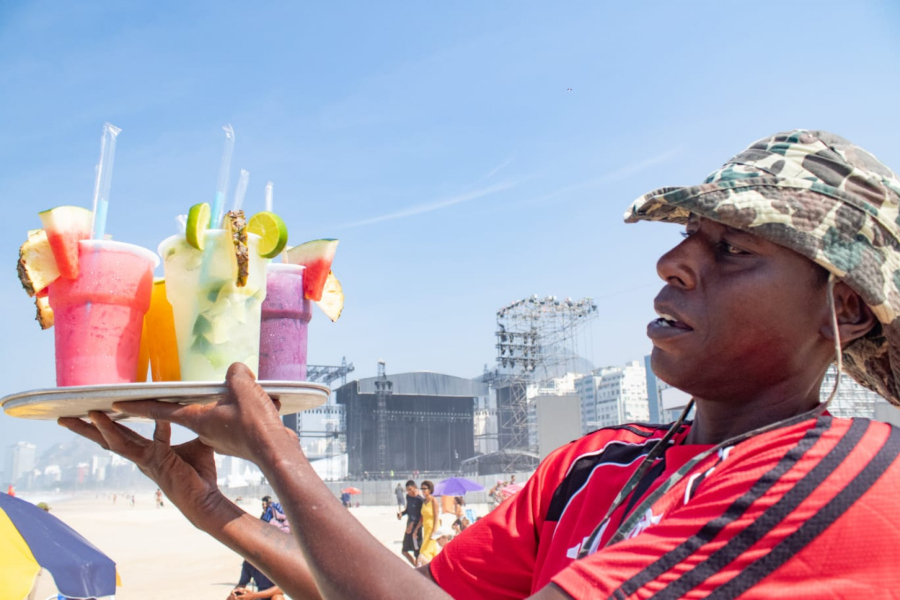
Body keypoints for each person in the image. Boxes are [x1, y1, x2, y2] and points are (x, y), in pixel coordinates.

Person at [62, 129, 900, 599]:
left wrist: (279, 455)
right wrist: (212, 508)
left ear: (846, 309)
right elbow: (395, 593)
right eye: (686, 237)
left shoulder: (840, 477)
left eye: (733, 249)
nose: (674, 263)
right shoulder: (596, 463)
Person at [397, 480, 424, 566]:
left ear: (415, 488)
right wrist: (402, 514)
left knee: (417, 553)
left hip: (416, 529)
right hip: (409, 527)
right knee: (404, 551)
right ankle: (415, 567)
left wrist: (414, 525)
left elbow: (422, 516)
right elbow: (408, 510)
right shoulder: (408, 497)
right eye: (407, 490)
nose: (409, 492)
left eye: (410, 489)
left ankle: (418, 568)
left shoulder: (420, 500)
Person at [415, 480, 440, 567]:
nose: (423, 491)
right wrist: (416, 529)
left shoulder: (433, 500)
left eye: (425, 488)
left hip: (432, 527)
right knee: (429, 550)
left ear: (430, 489)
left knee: (425, 550)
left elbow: (436, 516)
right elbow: (422, 517)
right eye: (422, 489)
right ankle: (433, 567)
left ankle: (428, 567)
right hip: (425, 528)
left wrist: (434, 530)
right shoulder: (424, 501)